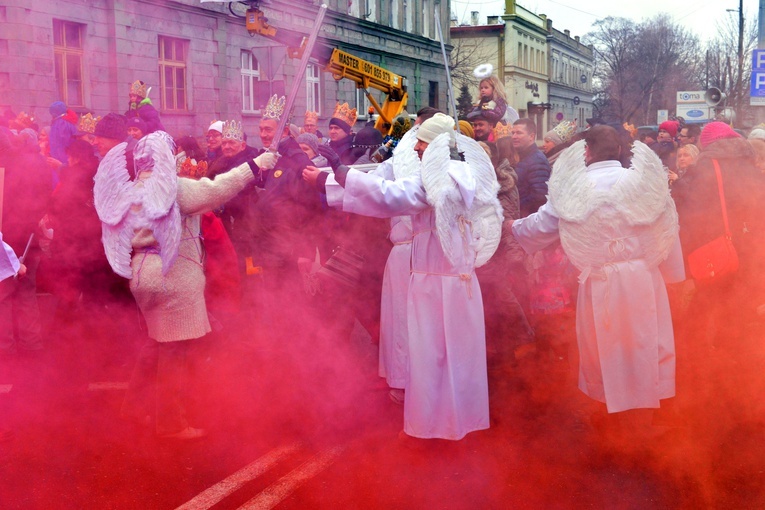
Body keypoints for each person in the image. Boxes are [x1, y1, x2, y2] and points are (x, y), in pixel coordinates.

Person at [306, 113, 501, 440]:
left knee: (430, 356)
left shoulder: (440, 177)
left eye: (423, 141)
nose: (418, 147)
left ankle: (429, 428)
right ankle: (458, 421)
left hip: (436, 280)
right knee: (454, 355)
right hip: (452, 281)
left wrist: (340, 173)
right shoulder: (460, 171)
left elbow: (391, 195)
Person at [94, 118, 275, 439]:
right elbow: (218, 189)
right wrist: (257, 163)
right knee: (176, 351)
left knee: (156, 343)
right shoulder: (172, 188)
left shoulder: (134, 188)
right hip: (173, 275)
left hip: (141, 273)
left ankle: (135, 407)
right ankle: (171, 423)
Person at [512, 125, 685, 432]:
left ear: (587, 152)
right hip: (642, 277)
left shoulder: (575, 186)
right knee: (645, 343)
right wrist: (674, 275)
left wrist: (512, 227)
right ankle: (645, 421)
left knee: (603, 349)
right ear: (619, 150)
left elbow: (542, 225)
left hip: (601, 279)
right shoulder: (642, 182)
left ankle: (610, 424)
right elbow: (668, 229)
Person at [0, 127, 52, 355]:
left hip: (7, 238)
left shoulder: (7, 167)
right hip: (30, 235)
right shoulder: (39, 163)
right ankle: (32, 344)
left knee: (3, 295)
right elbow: (46, 194)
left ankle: (6, 347)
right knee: (27, 291)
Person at [511, 118, 552, 217]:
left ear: (531, 136)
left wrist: (515, 206)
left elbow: (539, 196)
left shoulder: (537, 161)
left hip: (526, 221)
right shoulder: (522, 157)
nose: (514, 137)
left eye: (519, 133)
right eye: (512, 133)